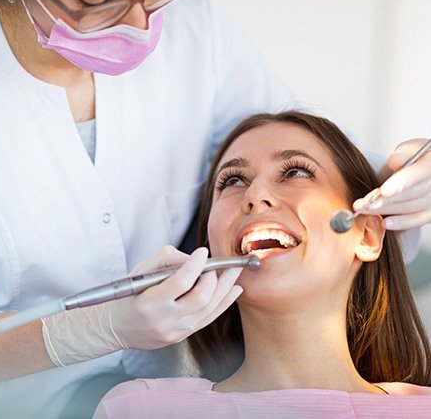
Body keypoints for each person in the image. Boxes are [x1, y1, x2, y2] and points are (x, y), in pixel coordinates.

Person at [0, 0, 430, 417]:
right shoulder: (139, 409)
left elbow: (316, 155)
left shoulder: (198, 39)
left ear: (368, 235)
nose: (141, 24)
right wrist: (92, 329)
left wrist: (400, 182)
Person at [95, 111, 431, 419]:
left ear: (367, 235)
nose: (255, 194)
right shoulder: (139, 409)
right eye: (232, 181)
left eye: (295, 171)